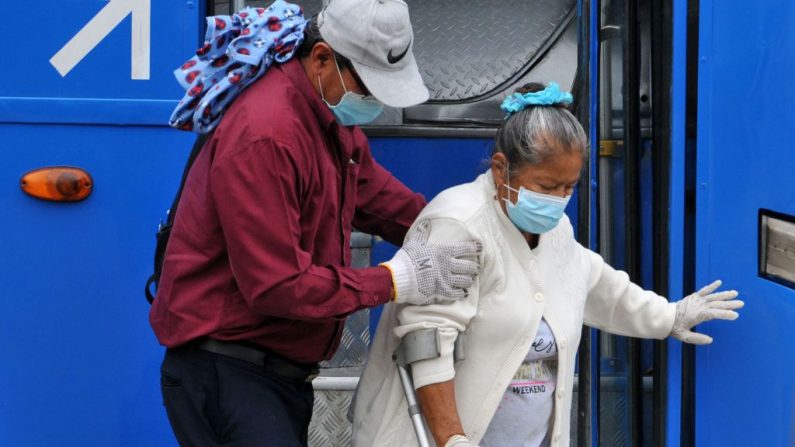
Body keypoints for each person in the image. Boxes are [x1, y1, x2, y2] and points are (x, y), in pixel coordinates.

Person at [149, 0, 481, 445]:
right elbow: (276, 285)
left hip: (269, 374)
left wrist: (467, 230)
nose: (375, 102)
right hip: (228, 370)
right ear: (322, 57)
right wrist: (395, 278)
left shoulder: (330, 122)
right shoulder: (267, 134)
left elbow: (381, 199)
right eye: (369, 87)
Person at [351, 82, 744, 447]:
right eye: (546, 186)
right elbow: (425, 343)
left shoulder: (554, 229)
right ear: (502, 169)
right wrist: (452, 441)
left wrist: (669, 316)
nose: (559, 199)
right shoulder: (459, 224)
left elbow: (590, 280)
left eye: (568, 186)